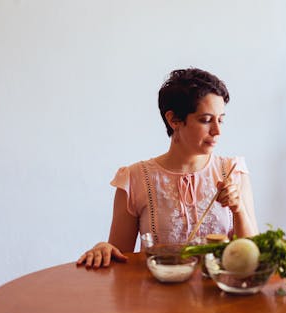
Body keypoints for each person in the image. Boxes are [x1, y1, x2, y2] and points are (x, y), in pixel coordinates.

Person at [77, 68, 258, 268]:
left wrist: (239, 209)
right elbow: (121, 258)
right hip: (157, 295)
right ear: (173, 120)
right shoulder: (134, 179)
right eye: (206, 120)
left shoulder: (233, 171)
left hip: (221, 295)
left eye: (221, 119)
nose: (217, 131)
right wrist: (104, 248)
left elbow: (254, 254)